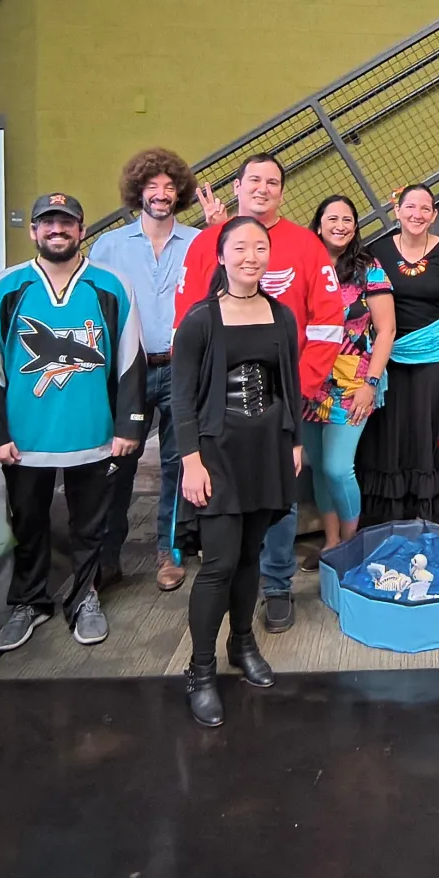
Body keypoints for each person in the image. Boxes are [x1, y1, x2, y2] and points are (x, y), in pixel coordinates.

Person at [175, 154, 343, 631]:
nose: (262, 188)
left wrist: (297, 389)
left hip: (279, 406)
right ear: (237, 186)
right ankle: (224, 587)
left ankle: (276, 585)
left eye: (273, 182)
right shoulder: (206, 243)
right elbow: (186, 323)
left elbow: (327, 322)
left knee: (279, 499)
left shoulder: (305, 245)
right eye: (254, 180)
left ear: (282, 192)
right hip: (218, 412)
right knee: (223, 504)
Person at [0, 193, 143, 654]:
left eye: (66, 222)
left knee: (90, 525)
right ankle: (28, 602)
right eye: (47, 222)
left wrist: (128, 426)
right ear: (33, 231)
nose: (57, 230)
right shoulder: (2, 289)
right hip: (25, 437)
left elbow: (130, 359)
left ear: (81, 230)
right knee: (28, 524)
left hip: (94, 432)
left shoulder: (112, 286)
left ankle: (85, 596)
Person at [172, 217, 303, 728]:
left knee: (251, 556)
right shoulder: (201, 319)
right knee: (219, 564)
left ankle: (242, 644)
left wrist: (293, 441)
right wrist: (190, 461)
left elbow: (288, 384)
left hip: (266, 450)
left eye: (260, 248)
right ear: (222, 256)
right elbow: (181, 397)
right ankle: (200, 670)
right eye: (241, 248)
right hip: (217, 454)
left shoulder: (281, 314)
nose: (251, 256)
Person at [87, 147, 201, 593]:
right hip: (127, 369)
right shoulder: (109, 246)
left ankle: (169, 551)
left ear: (180, 193)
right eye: (152, 186)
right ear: (138, 192)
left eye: (169, 187)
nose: (161, 194)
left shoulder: (197, 243)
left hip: (181, 367)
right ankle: (107, 555)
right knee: (118, 462)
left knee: (178, 463)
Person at [358, 184, 439, 528]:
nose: (417, 215)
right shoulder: (377, 251)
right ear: (397, 211)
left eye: (425, 209)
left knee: (429, 431)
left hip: (437, 356)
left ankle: (428, 515)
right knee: (389, 430)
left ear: (434, 215)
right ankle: (388, 514)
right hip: (390, 355)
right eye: (410, 207)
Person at [306, 195, 395, 554]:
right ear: (318, 225)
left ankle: (351, 546)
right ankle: (330, 543)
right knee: (317, 467)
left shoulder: (368, 268)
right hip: (308, 381)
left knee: (337, 468)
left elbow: (386, 330)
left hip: (353, 382)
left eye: (347, 220)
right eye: (332, 218)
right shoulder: (304, 265)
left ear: (355, 227)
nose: (340, 226)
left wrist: (371, 383)